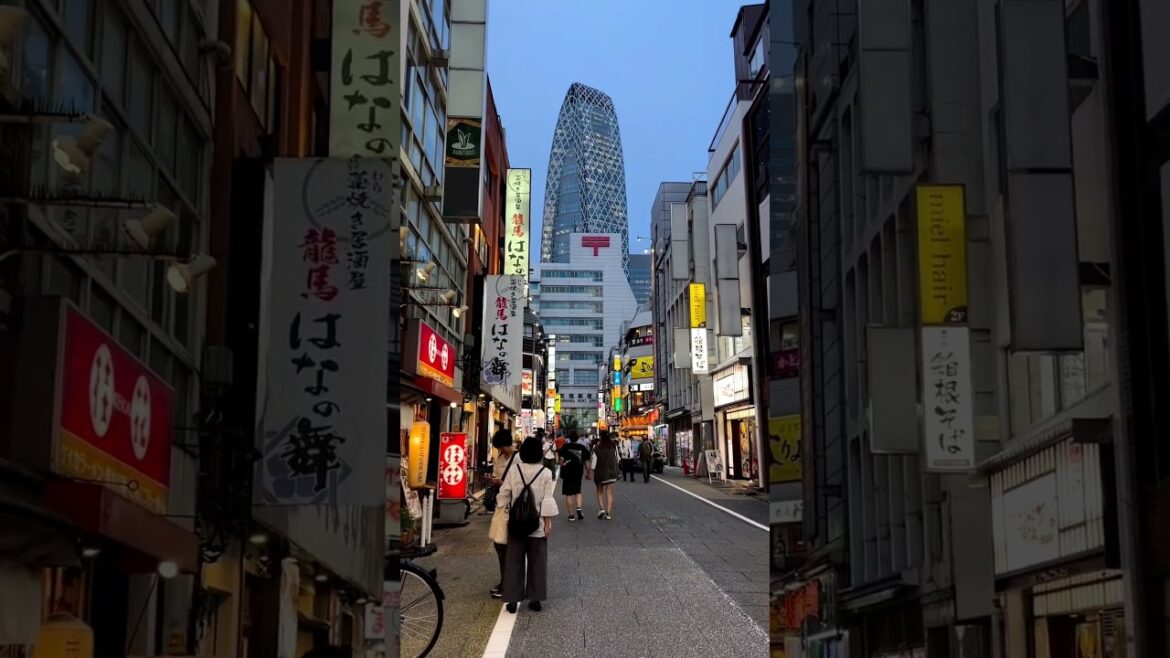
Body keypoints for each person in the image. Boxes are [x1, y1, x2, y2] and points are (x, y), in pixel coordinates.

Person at [498, 435, 558, 613]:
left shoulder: (514, 470)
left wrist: (502, 509)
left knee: (513, 562)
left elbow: (504, 494)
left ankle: (512, 599)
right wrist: (548, 524)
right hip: (536, 524)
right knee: (537, 562)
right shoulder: (546, 473)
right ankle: (536, 599)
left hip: (516, 524)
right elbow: (547, 500)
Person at [486, 429, 518, 598]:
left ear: (508, 444)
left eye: (502, 448)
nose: (501, 451)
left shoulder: (518, 458)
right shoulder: (499, 458)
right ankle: (506, 580)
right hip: (501, 504)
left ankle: (508, 583)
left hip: (514, 507)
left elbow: (521, 483)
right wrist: (493, 480)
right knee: (500, 544)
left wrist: (502, 482)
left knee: (505, 545)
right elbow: (498, 476)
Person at [558, 432, 590, 521]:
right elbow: (587, 461)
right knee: (578, 491)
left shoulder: (565, 447)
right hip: (578, 472)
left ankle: (571, 515)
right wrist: (588, 472)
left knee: (568, 493)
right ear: (577, 438)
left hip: (567, 472)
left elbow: (561, 459)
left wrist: (562, 466)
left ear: (569, 438)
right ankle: (579, 508)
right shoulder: (582, 448)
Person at [590, 432, 620, 519]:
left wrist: (591, 472)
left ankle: (601, 509)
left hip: (600, 473)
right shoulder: (613, 446)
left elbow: (593, 465)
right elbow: (618, 459)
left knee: (599, 491)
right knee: (609, 493)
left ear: (601, 438)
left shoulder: (597, 448)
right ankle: (608, 513)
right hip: (612, 473)